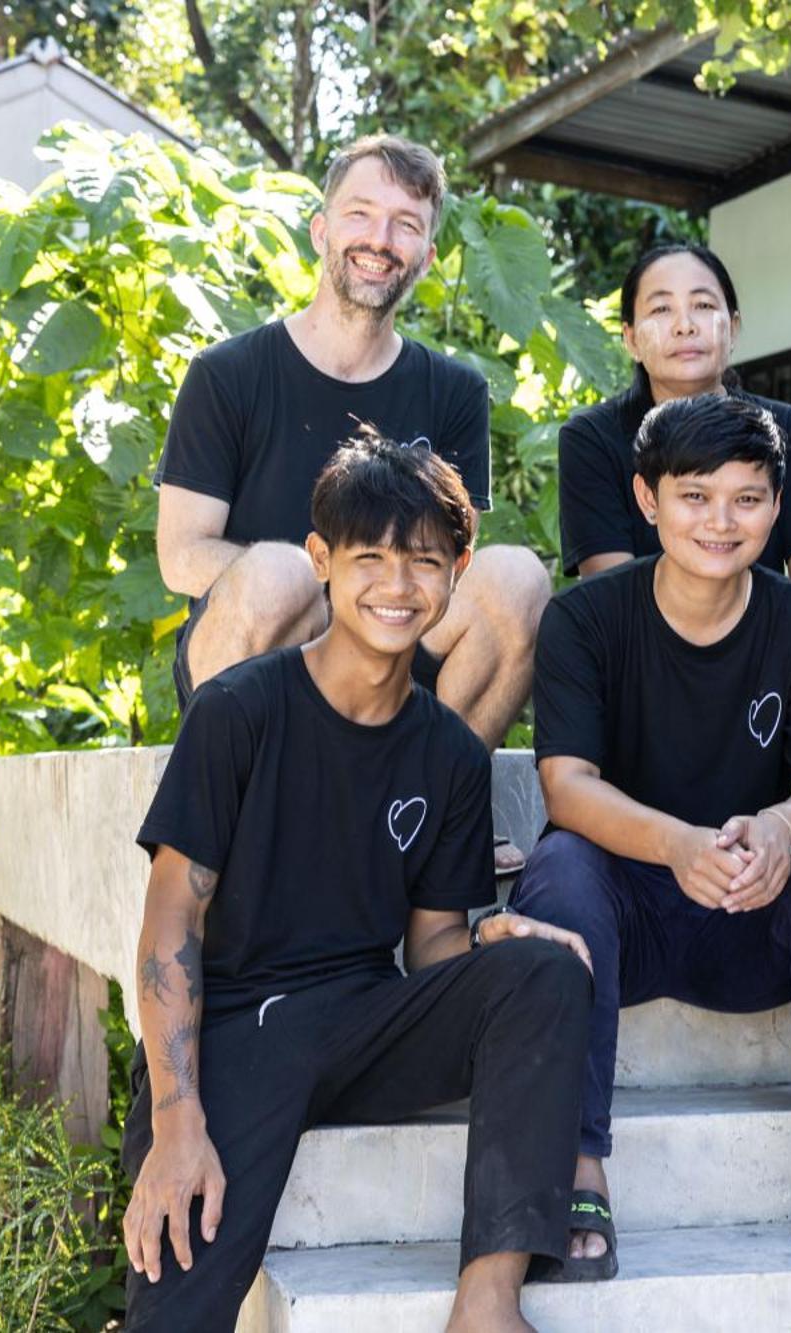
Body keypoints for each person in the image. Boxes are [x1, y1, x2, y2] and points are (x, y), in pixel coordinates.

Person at [120, 438, 594, 1332]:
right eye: (370, 557)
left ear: (456, 572)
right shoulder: (240, 712)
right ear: (321, 563)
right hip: (237, 1032)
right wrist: (179, 1117)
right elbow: (172, 917)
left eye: (423, 560)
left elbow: (432, 947)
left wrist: (490, 944)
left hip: (363, 1017)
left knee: (546, 970)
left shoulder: (450, 753)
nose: (398, 584)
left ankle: (486, 1306)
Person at [513, 393, 791, 1283]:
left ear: (777, 506)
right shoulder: (586, 619)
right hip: (626, 914)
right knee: (559, 867)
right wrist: (677, 845)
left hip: (755, 907)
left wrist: (778, 828)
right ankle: (577, 1171)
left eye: (747, 497)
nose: (721, 521)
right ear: (646, 499)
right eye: (695, 496)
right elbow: (567, 787)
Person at [154, 133, 547, 873]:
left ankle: (422, 814)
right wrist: (330, 584)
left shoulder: (454, 391)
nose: (380, 239)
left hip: (397, 658)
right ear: (322, 231)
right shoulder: (227, 374)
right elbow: (181, 555)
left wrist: (373, 608)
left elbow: (451, 571)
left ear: (427, 256)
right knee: (280, 573)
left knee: (519, 579)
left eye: (406, 223)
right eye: (361, 213)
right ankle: (247, 824)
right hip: (261, 662)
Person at [556, 242, 791, 855]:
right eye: (660, 309)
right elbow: (608, 579)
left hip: (772, 649)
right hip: (652, 651)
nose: (684, 323)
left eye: (703, 305)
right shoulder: (593, 438)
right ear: (630, 337)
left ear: (732, 328)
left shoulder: (786, 429)